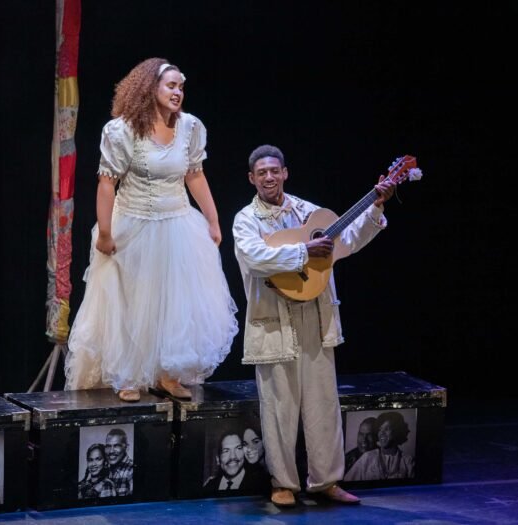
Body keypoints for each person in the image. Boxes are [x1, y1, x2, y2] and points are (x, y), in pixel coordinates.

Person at [65, 57, 238, 402]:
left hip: (177, 225)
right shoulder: (122, 130)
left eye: (181, 87)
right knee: (132, 303)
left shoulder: (189, 127)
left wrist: (213, 220)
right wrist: (105, 232)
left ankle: (167, 374)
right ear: (150, 88)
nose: (178, 92)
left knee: (174, 303)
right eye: (171, 86)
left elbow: (195, 175)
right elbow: (107, 183)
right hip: (134, 226)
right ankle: (127, 374)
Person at [232, 144, 396, 507]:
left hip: (316, 316)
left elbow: (346, 242)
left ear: (285, 173)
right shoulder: (246, 219)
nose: (269, 177)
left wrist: (376, 206)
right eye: (262, 173)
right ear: (251, 178)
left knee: (323, 404)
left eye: (275, 170)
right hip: (274, 321)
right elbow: (255, 258)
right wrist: (304, 252)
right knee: (279, 408)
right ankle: (283, 483)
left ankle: (326, 481)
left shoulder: (310, 212)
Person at [344, 411, 415, 481]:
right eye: (380, 429)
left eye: (387, 429)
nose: (381, 433)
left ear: (397, 431)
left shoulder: (408, 461)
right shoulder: (367, 457)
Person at [202, 430, 268, 495]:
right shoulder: (209, 486)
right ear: (218, 459)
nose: (233, 456)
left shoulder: (260, 483)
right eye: (226, 451)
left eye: (238, 448)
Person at [104, 428, 134, 496]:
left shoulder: (131, 470)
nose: (111, 451)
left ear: (126, 448)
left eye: (116, 446)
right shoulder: (104, 469)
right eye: (108, 446)